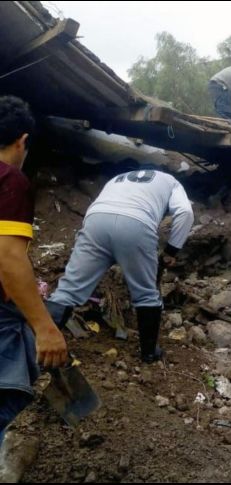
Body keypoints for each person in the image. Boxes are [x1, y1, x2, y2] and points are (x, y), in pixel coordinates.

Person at [45, 167, 194, 363]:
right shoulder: (172, 182)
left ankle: (39, 348)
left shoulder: (118, 178)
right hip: (136, 224)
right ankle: (149, 353)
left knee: (68, 291)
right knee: (146, 294)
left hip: (96, 221)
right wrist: (171, 251)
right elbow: (185, 212)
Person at [0, 96, 68, 447]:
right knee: (5, 402)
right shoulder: (10, 180)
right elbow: (8, 259)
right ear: (22, 141)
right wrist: (44, 328)